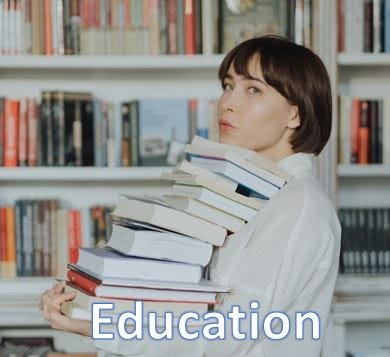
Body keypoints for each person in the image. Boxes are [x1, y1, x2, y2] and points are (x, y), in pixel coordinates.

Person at [39, 35, 341, 356]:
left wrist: (101, 325)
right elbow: (194, 308)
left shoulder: (298, 206)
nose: (228, 102)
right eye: (228, 85)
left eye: (253, 90)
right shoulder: (249, 195)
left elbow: (229, 333)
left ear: (294, 115)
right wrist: (89, 303)